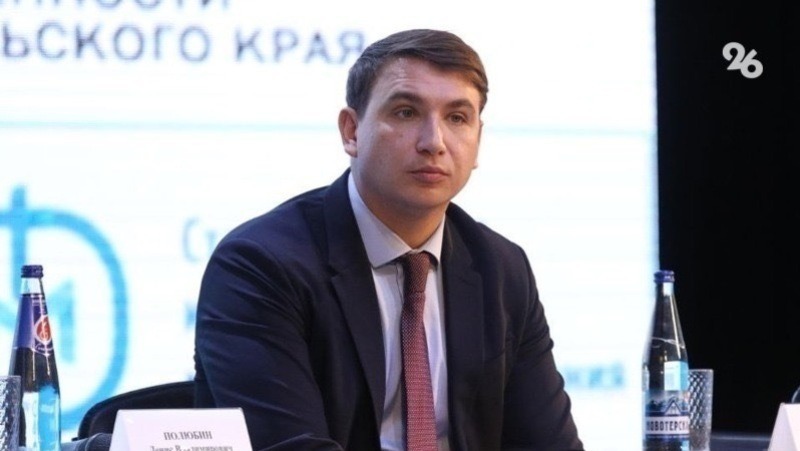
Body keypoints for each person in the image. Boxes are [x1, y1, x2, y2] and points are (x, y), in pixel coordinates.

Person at [193, 28, 583, 451]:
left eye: (457, 118)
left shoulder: (501, 268)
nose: (434, 142)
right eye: (406, 112)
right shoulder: (259, 265)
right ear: (351, 131)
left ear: (478, 139)